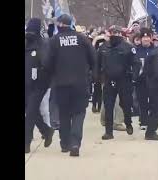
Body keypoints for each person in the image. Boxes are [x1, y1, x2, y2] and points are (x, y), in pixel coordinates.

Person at [42, 14, 97, 157]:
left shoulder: (53, 41)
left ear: (59, 25)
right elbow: (93, 58)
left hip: (61, 83)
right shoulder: (82, 39)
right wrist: (90, 73)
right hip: (80, 83)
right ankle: (75, 143)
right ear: (71, 24)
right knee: (79, 113)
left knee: (64, 113)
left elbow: (47, 63)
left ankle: (65, 143)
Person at [96, 25, 136, 140]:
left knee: (126, 104)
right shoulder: (103, 47)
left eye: (117, 32)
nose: (115, 34)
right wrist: (98, 77)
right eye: (112, 32)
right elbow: (97, 64)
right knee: (108, 106)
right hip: (108, 80)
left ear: (121, 34)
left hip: (124, 80)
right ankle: (108, 132)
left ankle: (128, 122)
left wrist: (134, 76)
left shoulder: (128, 47)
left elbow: (136, 63)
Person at [25, 18, 54, 153]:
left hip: (39, 84)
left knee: (30, 112)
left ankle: (26, 142)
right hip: (27, 83)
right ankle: (46, 130)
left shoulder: (43, 44)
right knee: (32, 112)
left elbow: (47, 63)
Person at [133, 31, 154, 130]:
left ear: (151, 38)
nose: (145, 39)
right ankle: (143, 121)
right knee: (142, 101)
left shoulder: (155, 50)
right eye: (143, 38)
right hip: (140, 80)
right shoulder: (136, 51)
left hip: (153, 80)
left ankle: (152, 120)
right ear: (141, 39)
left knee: (154, 101)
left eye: (148, 37)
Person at [144, 36, 158, 141]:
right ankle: (150, 132)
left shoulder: (153, 52)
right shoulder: (157, 54)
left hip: (152, 84)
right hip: (157, 85)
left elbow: (146, 69)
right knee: (156, 109)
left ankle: (150, 131)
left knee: (156, 108)